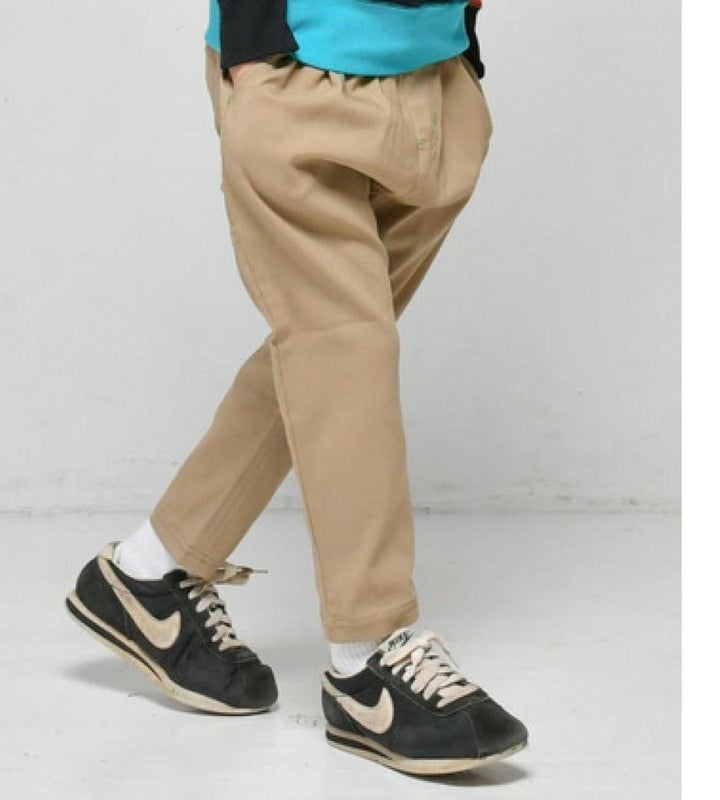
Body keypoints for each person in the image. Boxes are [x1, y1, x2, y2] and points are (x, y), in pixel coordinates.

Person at [66, 0, 528, 776]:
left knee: (330, 360)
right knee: (345, 349)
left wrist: (464, 40)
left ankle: (147, 571)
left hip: (436, 77)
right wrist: (255, 52)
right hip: (298, 67)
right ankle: (369, 657)